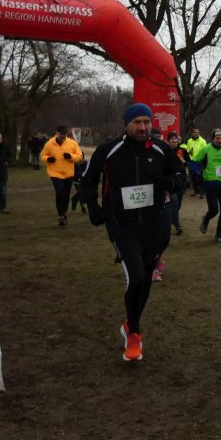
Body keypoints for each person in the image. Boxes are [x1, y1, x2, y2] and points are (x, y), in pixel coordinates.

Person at [81, 103, 186, 362]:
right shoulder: (108, 150)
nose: (142, 127)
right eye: (137, 122)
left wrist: (171, 182)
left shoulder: (162, 149)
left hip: (154, 224)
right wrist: (93, 206)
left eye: (147, 122)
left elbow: (180, 175)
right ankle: (135, 333)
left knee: (146, 277)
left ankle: (131, 323)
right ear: (126, 124)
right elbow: (87, 179)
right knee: (136, 276)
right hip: (122, 225)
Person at [41, 125, 83, 227]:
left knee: (66, 195)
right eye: (61, 135)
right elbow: (43, 155)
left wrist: (71, 157)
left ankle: (64, 214)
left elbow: (80, 156)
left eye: (65, 135)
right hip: (55, 173)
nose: (63, 137)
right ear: (57, 133)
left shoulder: (72, 143)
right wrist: (48, 159)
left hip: (69, 173)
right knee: (60, 192)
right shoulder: (49, 144)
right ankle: (61, 216)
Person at [197, 129, 221, 243]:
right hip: (210, 183)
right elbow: (195, 161)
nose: (219, 140)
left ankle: (218, 234)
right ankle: (206, 219)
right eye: (217, 138)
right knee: (214, 210)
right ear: (213, 139)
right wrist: (199, 175)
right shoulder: (205, 149)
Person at [165, 131, 187, 235]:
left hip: (181, 180)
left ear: (178, 140)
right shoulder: (165, 151)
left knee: (178, 203)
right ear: (168, 141)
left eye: (175, 139)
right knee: (174, 201)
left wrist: (185, 163)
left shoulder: (182, 151)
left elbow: (188, 162)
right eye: (172, 139)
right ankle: (177, 226)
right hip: (170, 180)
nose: (174, 140)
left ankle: (174, 219)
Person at [185, 127, 207, 197]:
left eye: (197, 132)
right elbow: (187, 149)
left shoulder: (202, 141)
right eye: (195, 132)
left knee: (200, 177)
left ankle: (202, 192)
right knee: (193, 177)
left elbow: (205, 151)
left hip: (199, 161)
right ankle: (196, 191)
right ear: (192, 133)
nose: (196, 133)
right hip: (192, 161)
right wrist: (189, 151)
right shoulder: (189, 141)